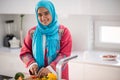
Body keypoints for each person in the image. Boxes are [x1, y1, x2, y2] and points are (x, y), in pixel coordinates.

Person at [19, 0, 72, 80]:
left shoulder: (63, 31)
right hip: (38, 76)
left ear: (52, 12)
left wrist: (50, 68)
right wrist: (32, 64)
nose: (43, 18)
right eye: (39, 14)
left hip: (58, 75)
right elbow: (25, 52)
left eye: (46, 13)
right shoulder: (32, 32)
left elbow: (64, 55)